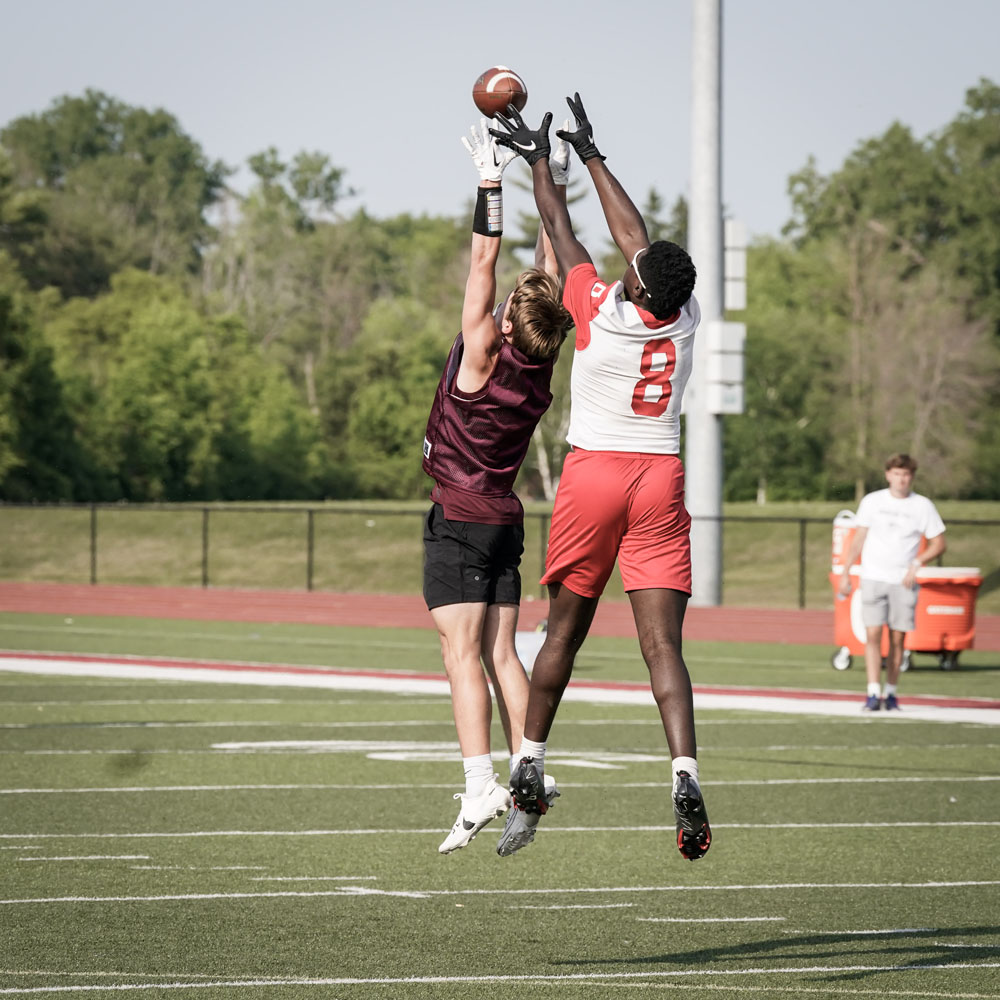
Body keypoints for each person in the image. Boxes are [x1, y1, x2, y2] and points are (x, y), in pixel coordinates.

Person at [489, 95, 710, 861]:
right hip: (661, 475)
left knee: (563, 634)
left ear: (639, 284)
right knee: (663, 649)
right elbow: (636, 239)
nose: (630, 258)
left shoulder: (600, 310)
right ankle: (683, 770)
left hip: (595, 475)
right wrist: (593, 151)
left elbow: (563, 227)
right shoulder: (683, 317)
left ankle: (530, 762)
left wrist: (540, 160)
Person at [422, 119, 573, 854]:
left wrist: (491, 179)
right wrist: (555, 181)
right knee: (503, 652)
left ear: (512, 320)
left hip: (458, 512)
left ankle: (481, 781)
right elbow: (552, 274)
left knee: (460, 653)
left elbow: (486, 255)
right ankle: (530, 765)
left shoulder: (484, 347)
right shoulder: (540, 363)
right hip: (506, 518)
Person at [838, 453, 946, 710]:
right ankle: (873, 692)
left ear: (912, 477)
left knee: (898, 638)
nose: (901, 479)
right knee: (873, 633)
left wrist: (917, 563)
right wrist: (846, 572)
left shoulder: (922, 506)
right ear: (888, 475)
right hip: (874, 577)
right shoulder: (872, 501)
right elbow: (859, 538)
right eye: (897, 474)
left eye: (906, 474)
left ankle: (892, 692)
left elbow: (939, 543)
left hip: (902, 582)